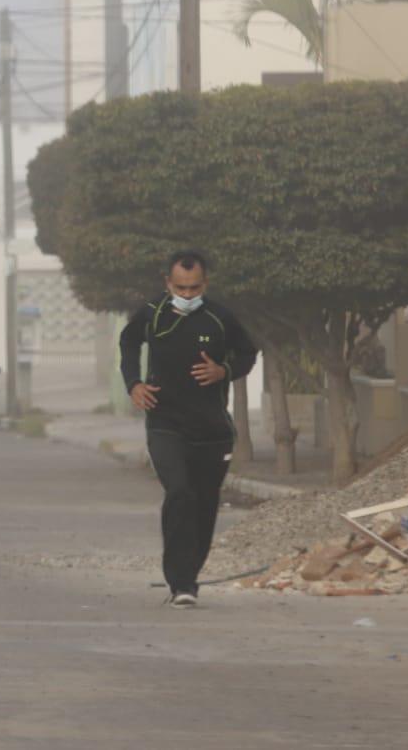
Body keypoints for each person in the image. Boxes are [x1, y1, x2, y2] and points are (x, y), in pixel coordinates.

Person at [119, 250, 257, 609]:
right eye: (181, 288)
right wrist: (133, 383)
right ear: (168, 283)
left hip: (211, 429)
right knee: (179, 492)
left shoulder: (219, 318)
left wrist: (223, 371)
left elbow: (247, 353)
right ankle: (179, 580)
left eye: (195, 288)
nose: (188, 294)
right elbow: (128, 342)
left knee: (204, 503)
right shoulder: (152, 314)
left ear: (205, 284)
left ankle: (189, 577)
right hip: (165, 423)